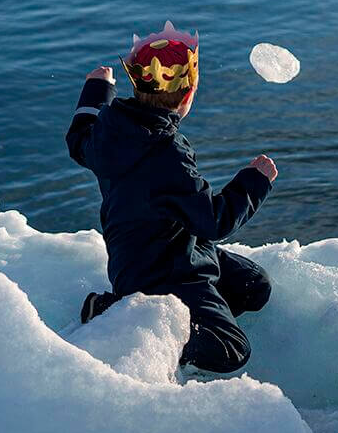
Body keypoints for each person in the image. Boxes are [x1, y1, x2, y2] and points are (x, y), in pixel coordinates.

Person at [65, 21, 278, 374]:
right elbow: (215, 221)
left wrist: (96, 90)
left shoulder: (110, 130)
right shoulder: (166, 153)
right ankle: (115, 311)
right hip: (163, 273)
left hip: (167, 251)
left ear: (135, 83)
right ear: (188, 94)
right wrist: (255, 182)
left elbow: (78, 139)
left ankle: (195, 312)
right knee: (232, 350)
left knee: (254, 287)